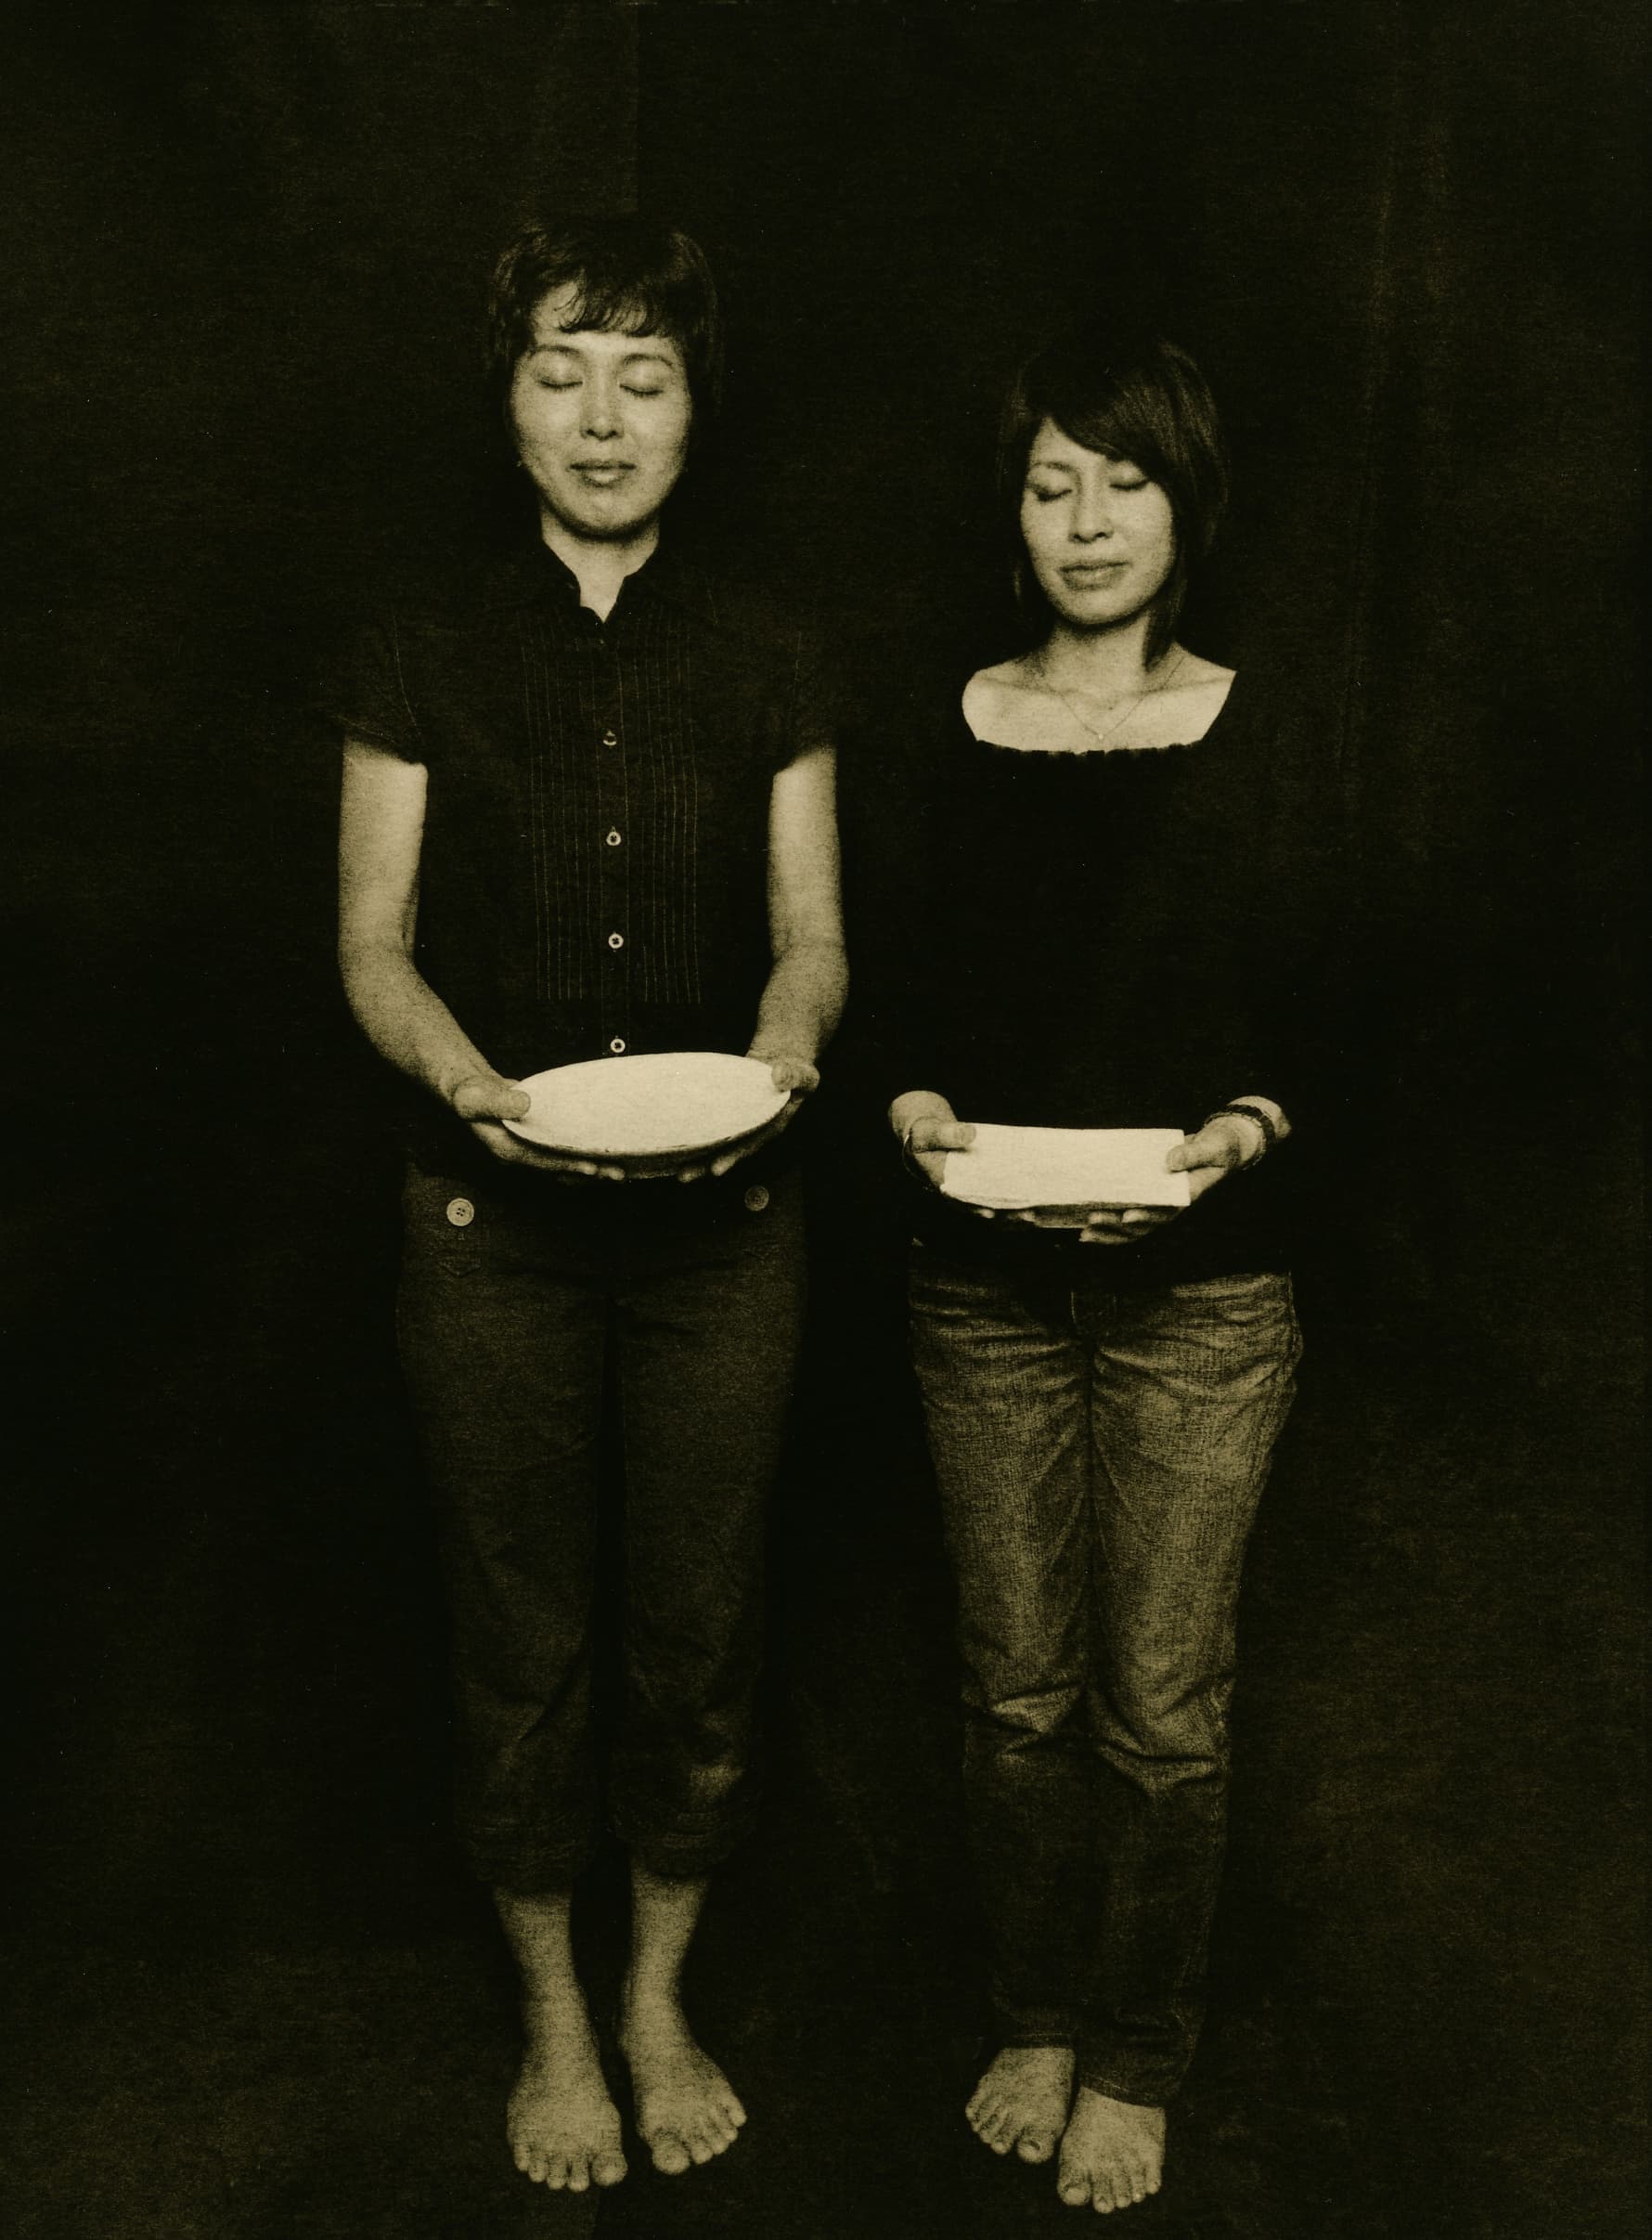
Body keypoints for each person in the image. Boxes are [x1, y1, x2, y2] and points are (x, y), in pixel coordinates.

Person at [332, 216, 845, 2195]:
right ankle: (553, 2017)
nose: (602, 417)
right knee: (518, 1631)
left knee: (699, 1631)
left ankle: (657, 1999)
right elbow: (372, 944)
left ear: (698, 409)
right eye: (562, 373)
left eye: (645, 376)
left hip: (728, 1225)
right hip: (491, 1226)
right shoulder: (417, 638)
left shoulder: (773, 642)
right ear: (511, 400)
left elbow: (811, 937)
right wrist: (466, 1083)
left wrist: (786, 1047)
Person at [867, 327, 1340, 2214]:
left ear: (1184, 505)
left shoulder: (1263, 726)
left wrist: (1250, 1121)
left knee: (1159, 1709)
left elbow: (1333, 1003)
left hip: (1206, 1298)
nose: (1084, 519)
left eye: (1123, 481)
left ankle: (1136, 2053)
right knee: (1014, 1696)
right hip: (975, 1285)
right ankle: (1037, 2013)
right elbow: (887, 991)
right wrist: (908, 1100)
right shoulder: (944, 724)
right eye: (1051, 482)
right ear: (1011, 512)